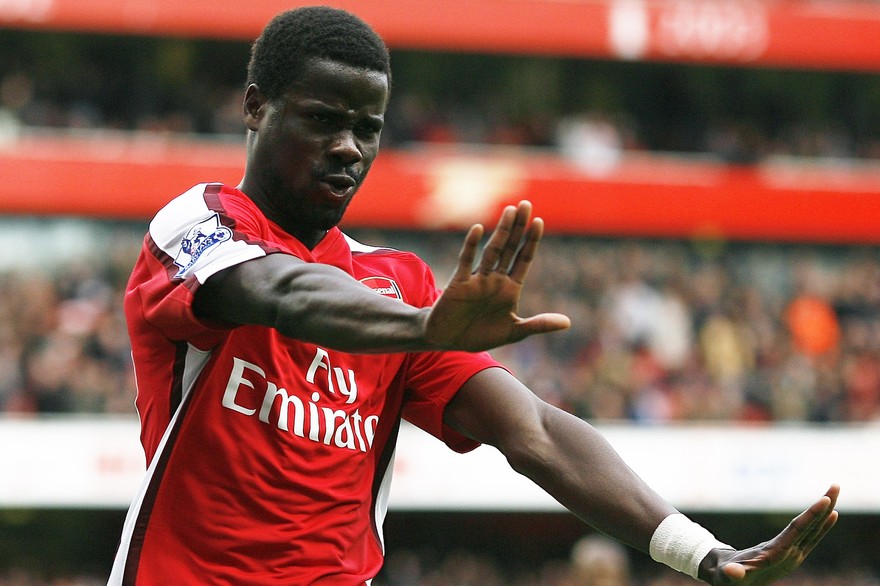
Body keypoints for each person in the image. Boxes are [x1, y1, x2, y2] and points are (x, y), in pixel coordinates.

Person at [109, 6, 839, 585]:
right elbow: (278, 288)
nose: (349, 149)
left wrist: (700, 552)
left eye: (368, 129)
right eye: (323, 120)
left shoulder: (398, 283)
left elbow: (537, 433)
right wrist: (424, 326)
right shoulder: (198, 223)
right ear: (254, 107)